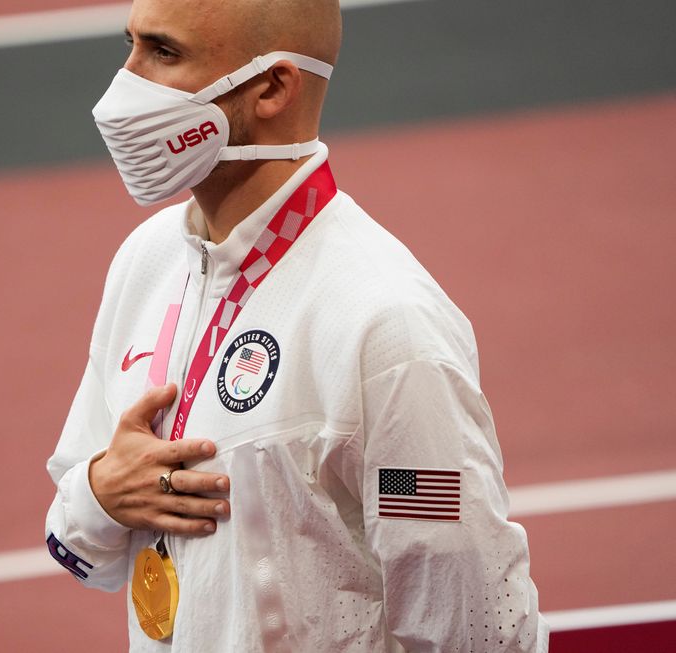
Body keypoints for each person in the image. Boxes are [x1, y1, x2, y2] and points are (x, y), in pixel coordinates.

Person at [45, 0, 548, 650]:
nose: (124, 83)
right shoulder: (145, 262)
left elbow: (476, 622)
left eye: (163, 53)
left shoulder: (385, 328)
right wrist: (98, 491)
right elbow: (81, 539)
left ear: (272, 88)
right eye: (130, 44)